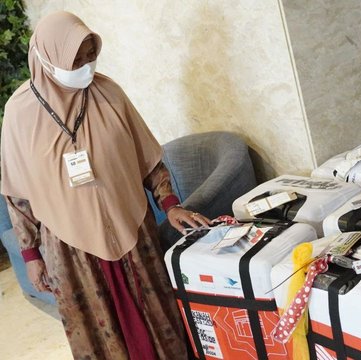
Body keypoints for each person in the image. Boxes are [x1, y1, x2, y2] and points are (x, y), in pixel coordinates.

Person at [1, 11, 211, 360]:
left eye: (90, 56)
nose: (86, 66)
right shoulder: (19, 113)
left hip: (132, 232)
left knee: (158, 322)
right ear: (48, 57)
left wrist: (170, 203)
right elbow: (18, 195)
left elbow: (148, 159)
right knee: (101, 337)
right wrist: (30, 255)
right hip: (69, 250)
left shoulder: (108, 92)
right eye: (75, 59)